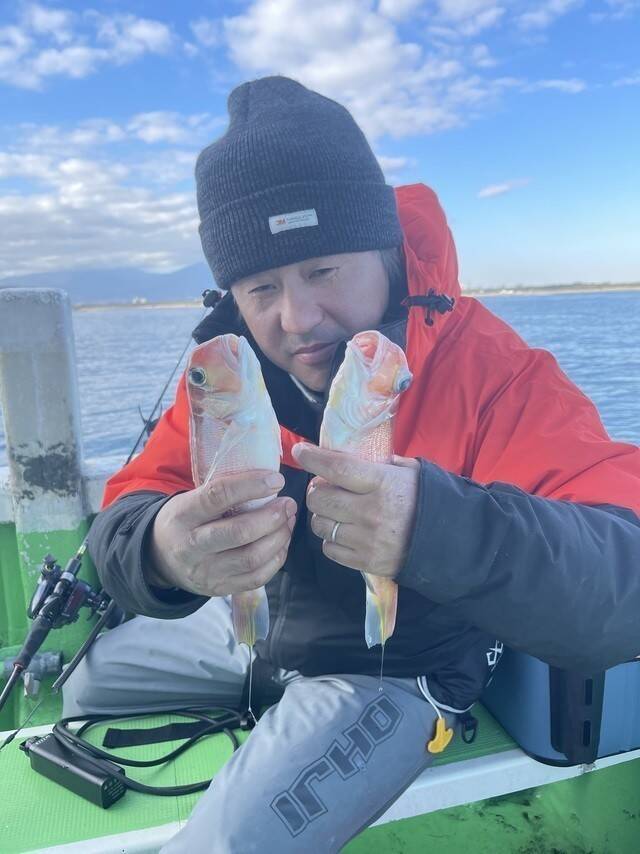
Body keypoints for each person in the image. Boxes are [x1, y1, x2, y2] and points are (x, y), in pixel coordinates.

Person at [62, 76, 640, 852]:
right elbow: (131, 510)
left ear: (382, 249)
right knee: (85, 683)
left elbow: (624, 570)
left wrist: (435, 526)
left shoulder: (492, 370)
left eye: (323, 271)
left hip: (393, 672)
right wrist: (164, 548)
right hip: (261, 637)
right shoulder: (231, 371)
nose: (296, 318)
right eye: (262, 285)